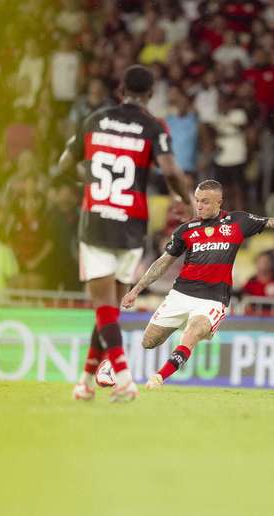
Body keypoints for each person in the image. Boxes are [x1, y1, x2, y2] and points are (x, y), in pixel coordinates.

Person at [57, 64, 191, 403]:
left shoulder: (95, 119)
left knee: (103, 306)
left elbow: (62, 164)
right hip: (132, 225)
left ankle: (124, 377)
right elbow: (172, 169)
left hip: (98, 219)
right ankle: (85, 381)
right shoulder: (151, 125)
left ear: (120, 89)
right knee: (110, 309)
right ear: (149, 94)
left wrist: (91, 181)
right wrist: (185, 199)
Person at [121, 180, 274, 389]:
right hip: (181, 293)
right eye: (197, 200)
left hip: (213, 300)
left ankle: (159, 377)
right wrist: (136, 290)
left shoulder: (237, 221)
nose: (199, 205)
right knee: (148, 341)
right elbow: (162, 263)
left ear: (219, 202)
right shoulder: (186, 230)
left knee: (193, 332)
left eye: (205, 201)